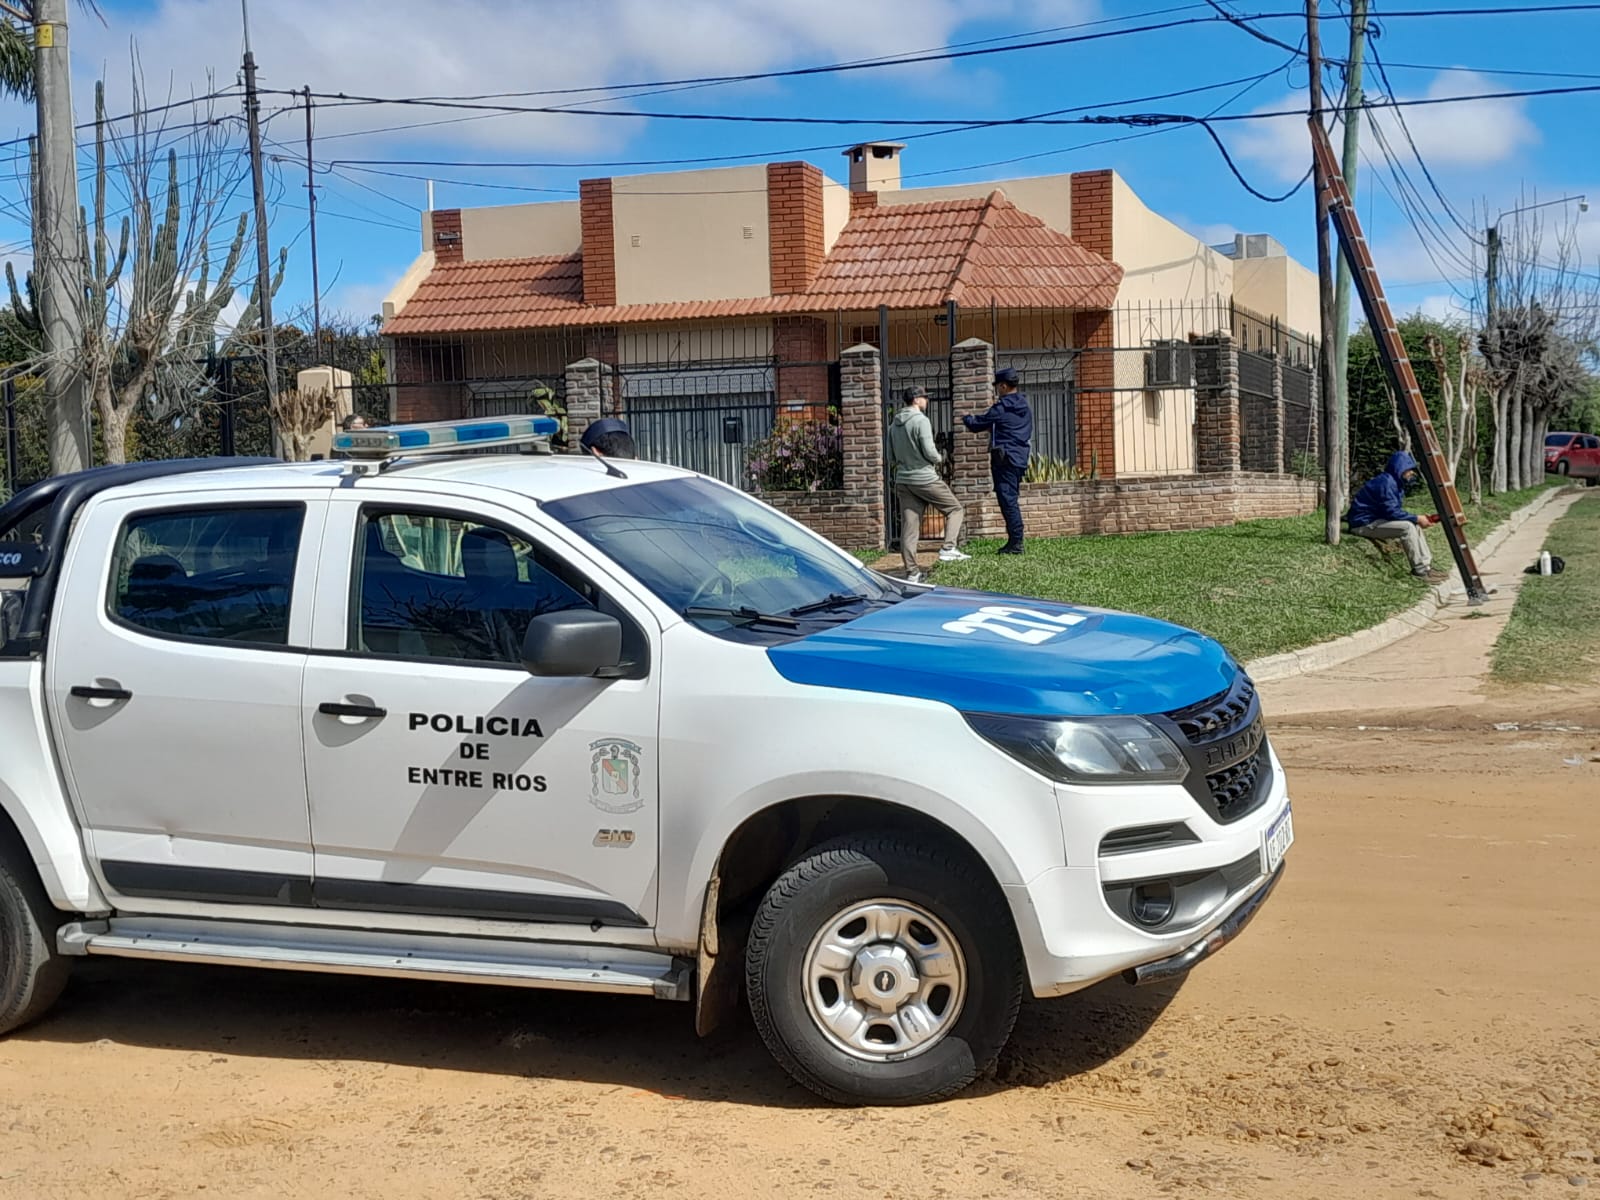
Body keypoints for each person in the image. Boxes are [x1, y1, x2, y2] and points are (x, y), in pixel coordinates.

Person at [888, 387, 968, 583]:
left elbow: (890, 457)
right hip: (924, 478)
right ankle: (948, 548)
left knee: (910, 527)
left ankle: (912, 573)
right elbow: (930, 451)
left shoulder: (893, 425)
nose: (927, 400)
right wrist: (939, 458)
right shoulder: (921, 420)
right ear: (916, 400)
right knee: (955, 509)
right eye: (924, 397)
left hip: (904, 480)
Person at [1346, 450, 1449, 582]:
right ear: (1400, 468)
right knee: (1407, 527)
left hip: (1374, 521)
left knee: (1414, 526)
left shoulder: (1393, 482)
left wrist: (1417, 519)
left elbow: (1391, 512)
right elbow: (1392, 512)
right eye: (1409, 469)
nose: (1412, 473)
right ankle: (1419, 570)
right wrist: (1417, 518)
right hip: (1363, 524)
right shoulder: (1387, 483)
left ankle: (1426, 567)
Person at [962, 366, 1033, 554]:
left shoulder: (1001, 407)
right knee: (1011, 499)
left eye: (997, 387)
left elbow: (977, 425)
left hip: (1005, 459)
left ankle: (1016, 543)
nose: (996, 390)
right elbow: (1008, 427)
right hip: (1019, 457)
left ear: (1003, 386)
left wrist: (966, 418)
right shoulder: (1024, 405)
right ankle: (1015, 541)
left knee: (1007, 501)